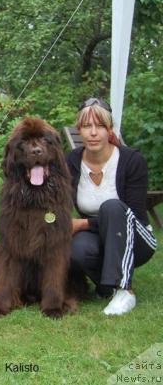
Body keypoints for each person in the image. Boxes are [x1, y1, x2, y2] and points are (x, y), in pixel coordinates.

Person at [68, 98, 157, 316]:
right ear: (79, 130)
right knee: (75, 250)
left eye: (100, 126)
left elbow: (134, 214)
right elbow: (57, 203)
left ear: (110, 129)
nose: (93, 133)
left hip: (136, 236)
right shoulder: (71, 161)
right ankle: (106, 286)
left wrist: (82, 223)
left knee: (112, 207)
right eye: (87, 126)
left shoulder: (132, 160)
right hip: (97, 235)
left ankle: (124, 290)